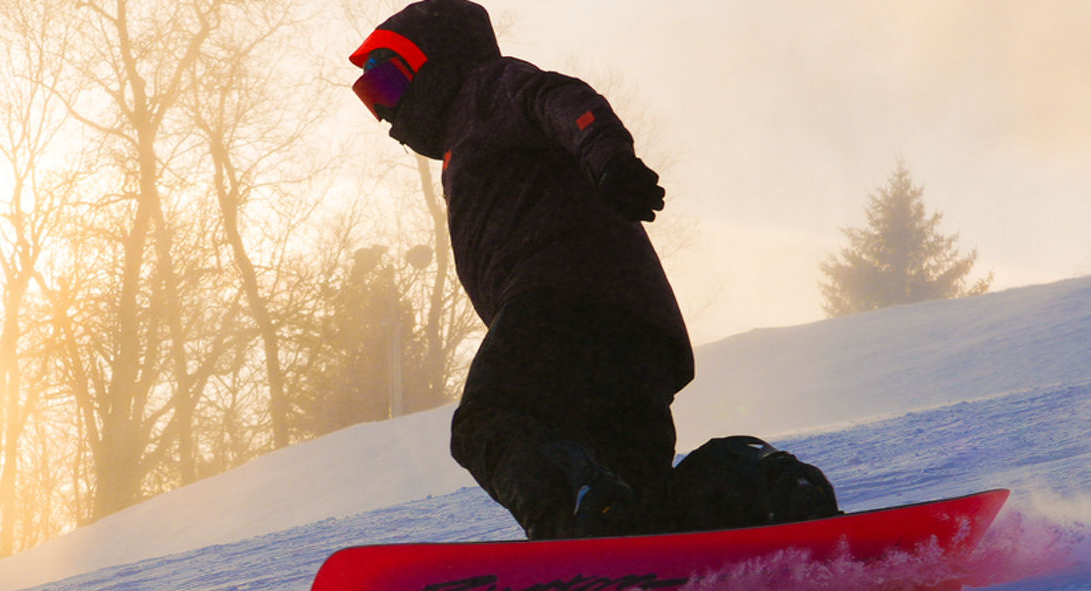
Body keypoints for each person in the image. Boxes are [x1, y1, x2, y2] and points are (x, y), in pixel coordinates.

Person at [346, 0, 835, 540]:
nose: (386, 116)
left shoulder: (486, 91)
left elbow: (561, 99)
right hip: (633, 336)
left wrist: (609, 160)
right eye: (371, 101)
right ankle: (767, 492)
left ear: (433, 64)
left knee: (486, 422)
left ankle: (577, 514)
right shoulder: (469, 141)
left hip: (561, 306)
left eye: (387, 87)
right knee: (640, 501)